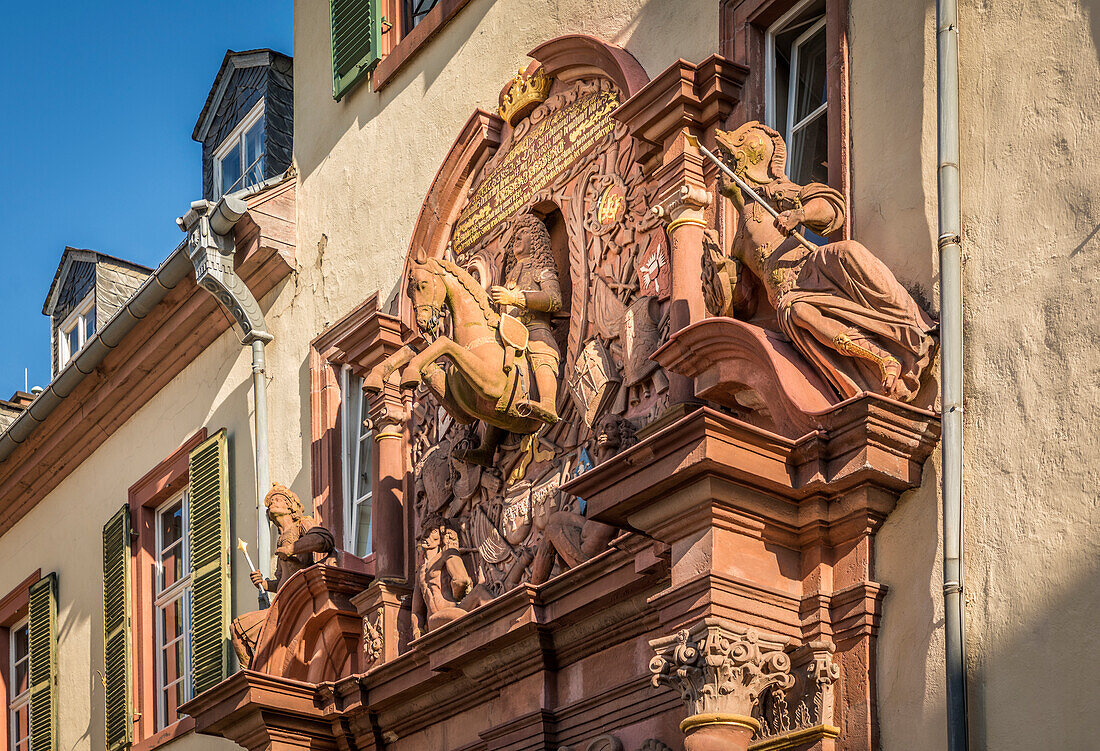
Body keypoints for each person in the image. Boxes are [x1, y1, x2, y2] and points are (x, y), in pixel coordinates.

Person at [715, 121, 937, 401]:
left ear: (744, 163)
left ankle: (909, 327)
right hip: (786, 298)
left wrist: (800, 215)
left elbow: (829, 208)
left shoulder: (774, 194)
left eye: (727, 159)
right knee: (799, 313)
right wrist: (720, 276)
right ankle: (882, 359)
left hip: (811, 270)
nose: (719, 166)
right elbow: (742, 300)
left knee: (846, 252)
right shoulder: (737, 243)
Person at [230, 483, 336, 666]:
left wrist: (293, 548)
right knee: (237, 630)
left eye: (278, 499)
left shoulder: (302, 524)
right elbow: (281, 580)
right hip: (282, 602)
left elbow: (324, 539)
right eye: (271, 501)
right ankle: (254, 675)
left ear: (291, 506)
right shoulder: (280, 537)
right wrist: (264, 584)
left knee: (239, 629)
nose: (273, 503)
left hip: (300, 601)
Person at [488, 213, 564, 423]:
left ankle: (548, 403)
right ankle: (487, 444)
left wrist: (515, 298)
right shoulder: (511, 273)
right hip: (507, 335)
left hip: (535, 327)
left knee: (542, 349)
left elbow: (554, 299)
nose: (517, 238)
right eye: (516, 235)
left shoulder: (541, 268)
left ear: (536, 240)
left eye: (524, 233)